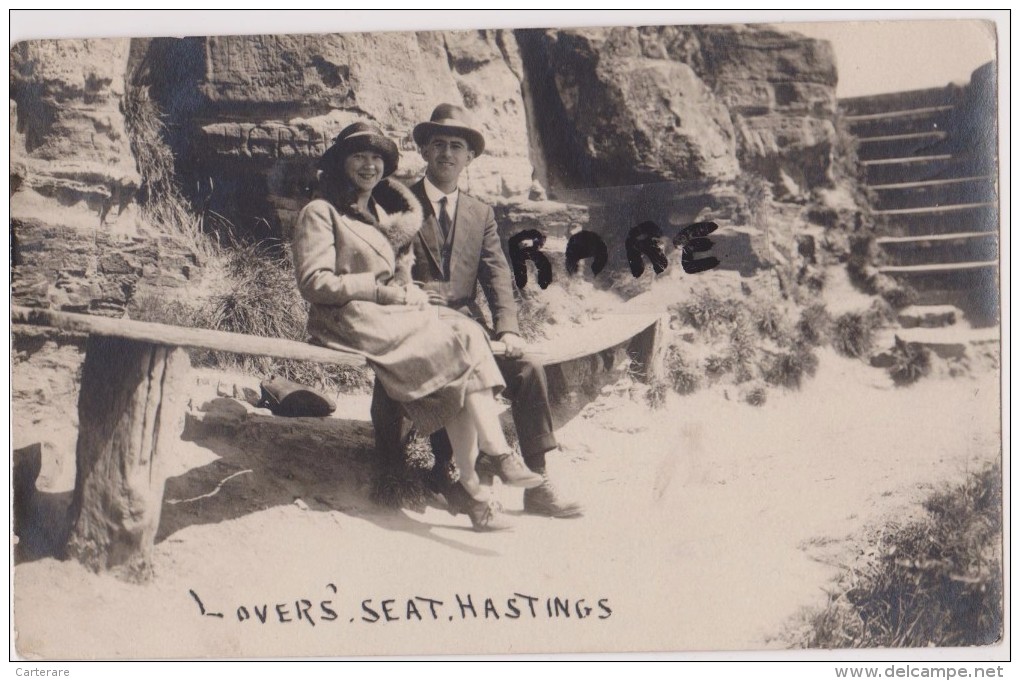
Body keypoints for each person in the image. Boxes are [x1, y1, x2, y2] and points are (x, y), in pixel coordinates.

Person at [292, 121, 544, 532]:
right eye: (359, 156)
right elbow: (314, 283)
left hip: (384, 315)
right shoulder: (320, 212)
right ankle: (493, 462)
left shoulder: (378, 212)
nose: (369, 165)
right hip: (345, 318)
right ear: (340, 163)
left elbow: (396, 275)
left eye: (377, 158)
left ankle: (478, 476)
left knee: (462, 339)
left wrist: (407, 292)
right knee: (456, 345)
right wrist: (381, 293)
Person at [370, 104, 584, 519]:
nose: (447, 154)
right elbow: (382, 269)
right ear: (425, 152)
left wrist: (508, 329)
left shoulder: (480, 213)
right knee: (454, 376)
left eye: (456, 146)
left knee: (528, 370)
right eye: (438, 145)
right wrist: (414, 293)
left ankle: (536, 482)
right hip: (413, 327)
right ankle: (453, 475)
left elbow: (497, 275)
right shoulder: (398, 203)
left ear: (469, 158)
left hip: (470, 329)